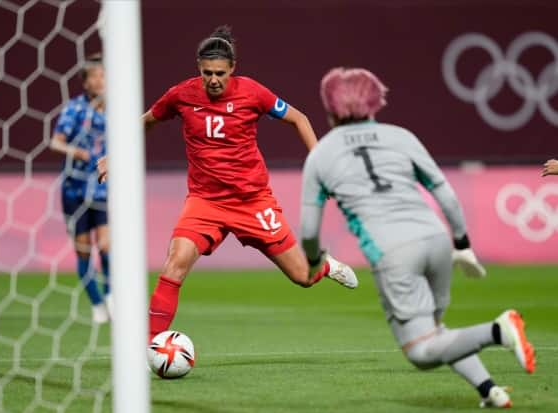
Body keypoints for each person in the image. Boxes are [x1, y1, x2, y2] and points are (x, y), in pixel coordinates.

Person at [97, 26, 358, 340]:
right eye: (207, 73)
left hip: (252, 201)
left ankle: (324, 265)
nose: (214, 80)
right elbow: (148, 120)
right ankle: (150, 347)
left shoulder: (253, 92)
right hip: (204, 202)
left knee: (302, 276)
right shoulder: (181, 94)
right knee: (175, 263)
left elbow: (298, 119)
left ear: (233, 68)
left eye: (220, 73)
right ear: (199, 68)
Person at [300, 67, 536, 408]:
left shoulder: (321, 154)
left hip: (393, 252)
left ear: (329, 108)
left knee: (421, 353)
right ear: (374, 102)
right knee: (439, 333)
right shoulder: (400, 136)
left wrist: (313, 260)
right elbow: (445, 192)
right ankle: (490, 391)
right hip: (436, 239)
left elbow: (308, 230)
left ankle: (498, 331)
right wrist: (462, 244)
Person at [50, 54, 112, 324]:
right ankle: (97, 303)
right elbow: (56, 143)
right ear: (85, 83)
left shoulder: (117, 109)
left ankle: (111, 296)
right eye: (94, 76)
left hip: (104, 190)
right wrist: (75, 151)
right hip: (75, 190)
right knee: (84, 251)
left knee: (109, 247)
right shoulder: (74, 109)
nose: (100, 80)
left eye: (103, 74)